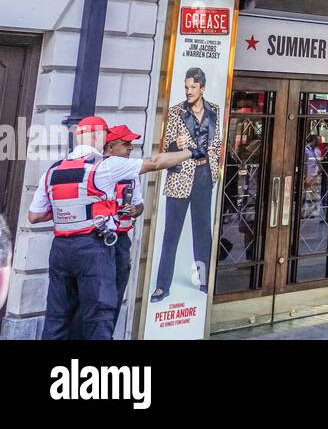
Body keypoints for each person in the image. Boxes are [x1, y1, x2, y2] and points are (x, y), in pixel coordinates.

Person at [27, 116, 193, 339]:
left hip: (61, 249)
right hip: (92, 248)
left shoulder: (53, 171)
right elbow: (154, 163)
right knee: (99, 315)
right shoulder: (104, 166)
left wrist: (70, 210)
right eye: (105, 135)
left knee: (57, 316)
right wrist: (190, 153)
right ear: (98, 136)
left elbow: (34, 216)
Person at [150, 67, 224, 302]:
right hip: (181, 175)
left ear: (202, 88)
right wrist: (175, 144)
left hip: (205, 174)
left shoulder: (214, 110)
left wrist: (214, 172)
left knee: (202, 232)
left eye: (193, 87)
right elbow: (165, 147)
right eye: (186, 87)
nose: (188, 91)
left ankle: (205, 281)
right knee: (171, 234)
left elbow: (217, 142)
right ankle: (163, 286)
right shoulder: (176, 112)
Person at [102, 124, 146, 330]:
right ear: (110, 147)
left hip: (121, 240)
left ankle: (108, 331)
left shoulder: (131, 172)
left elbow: (140, 204)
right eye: (125, 144)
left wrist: (134, 210)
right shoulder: (99, 169)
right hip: (99, 240)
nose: (131, 148)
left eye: (131, 144)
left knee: (118, 290)